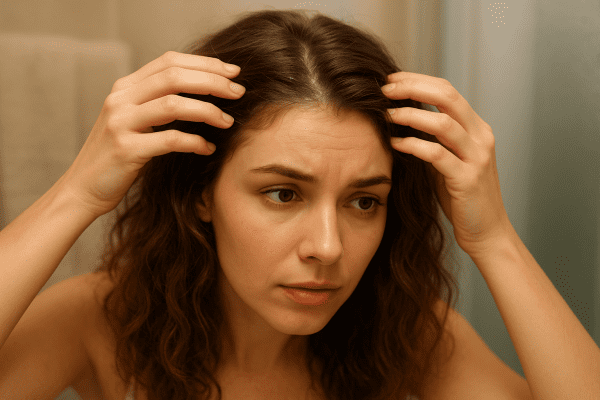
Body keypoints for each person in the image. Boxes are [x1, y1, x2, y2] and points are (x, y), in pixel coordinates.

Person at [4, 8, 597, 400]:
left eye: (364, 202)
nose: (327, 247)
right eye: (283, 193)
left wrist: (493, 239)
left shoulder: (402, 330)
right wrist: (77, 194)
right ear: (201, 192)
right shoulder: (103, 320)